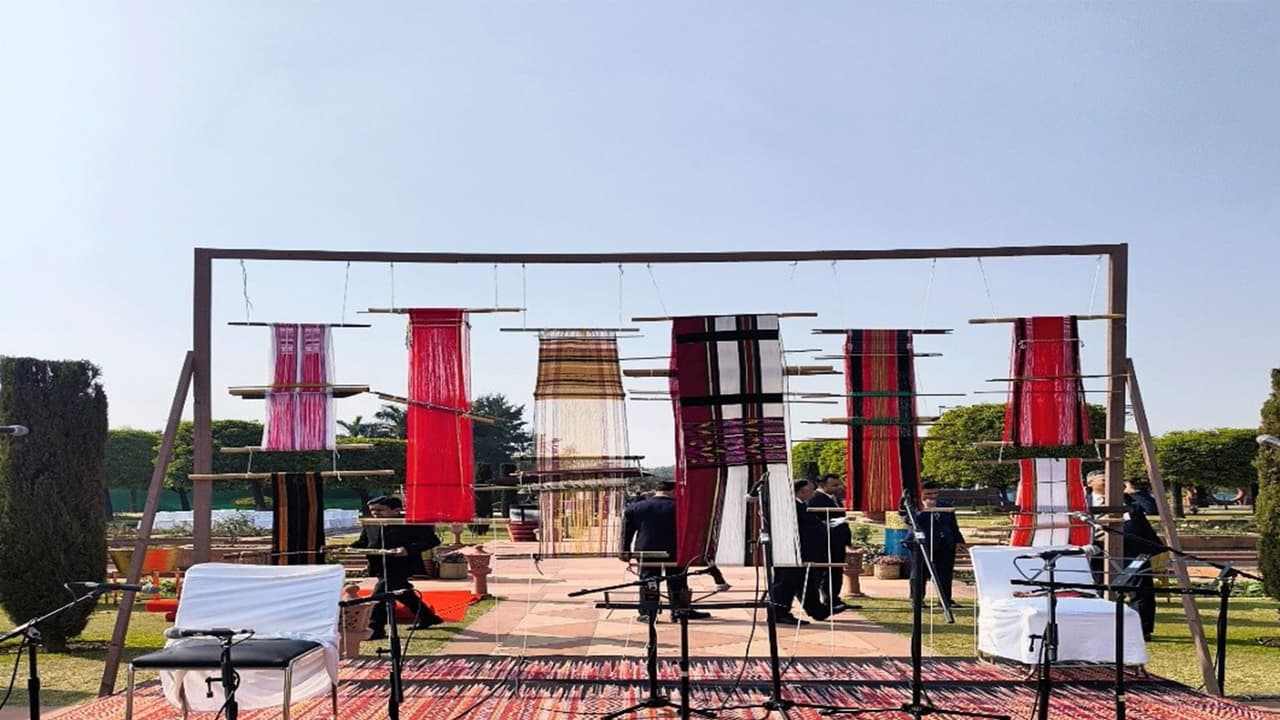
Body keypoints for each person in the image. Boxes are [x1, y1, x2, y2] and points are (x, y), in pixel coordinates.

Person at [350, 496, 445, 640]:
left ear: (396, 510)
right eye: (373, 510)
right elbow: (364, 542)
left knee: (380, 594)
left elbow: (432, 541)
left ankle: (376, 628)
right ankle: (428, 617)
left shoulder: (409, 523)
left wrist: (408, 549)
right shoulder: (371, 523)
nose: (375, 513)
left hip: (402, 565)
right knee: (403, 592)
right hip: (379, 565)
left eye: (380, 510)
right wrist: (348, 548)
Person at [621, 480, 713, 623]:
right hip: (675, 550)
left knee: (648, 580)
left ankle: (648, 612)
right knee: (677, 580)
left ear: (656, 491)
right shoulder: (681, 508)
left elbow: (626, 533)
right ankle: (679, 611)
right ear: (673, 491)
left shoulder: (636, 508)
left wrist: (624, 551)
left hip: (647, 550)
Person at [807, 474, 859, 613]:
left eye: (838, 484)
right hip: (826, 541)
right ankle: (826, 600)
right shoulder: (815, 499)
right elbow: (816, 521)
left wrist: (847, 540)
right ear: (823, 485)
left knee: (836, 570)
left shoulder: (835, 498)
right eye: (834, 485)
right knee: (826, 571)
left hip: (838, 541)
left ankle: (834, 599)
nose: (837, 488)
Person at [910, 482, 966, 607]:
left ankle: (945, 600)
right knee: (920, 573)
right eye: (928, 493)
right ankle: (917, 600)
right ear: (920, 493)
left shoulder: (946, 506)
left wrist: (958, 541)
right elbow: (911, 522)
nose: (933, 496)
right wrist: (925, 509)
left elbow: (953, 525)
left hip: (944, 543)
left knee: (945, 573)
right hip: (922, 544)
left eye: (935, 493)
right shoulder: (912, 506)